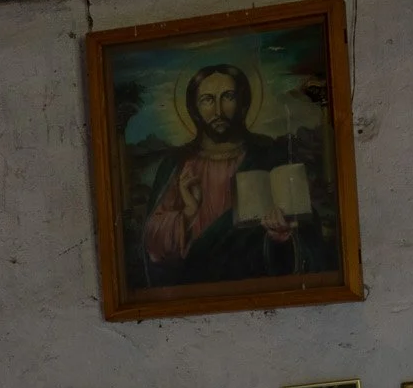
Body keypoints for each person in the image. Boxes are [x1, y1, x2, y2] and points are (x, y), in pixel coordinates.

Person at [139, 63, 334, 286]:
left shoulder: (268, 155)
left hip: (253, 280)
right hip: (194, 285)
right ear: (194, 109)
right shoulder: (178, 164)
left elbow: (306, 229)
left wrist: (281, 237)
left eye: (228, 97)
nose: (218, 111)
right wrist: (188, 213)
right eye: (207, 100)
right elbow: (152, 244)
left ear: (243, 103)